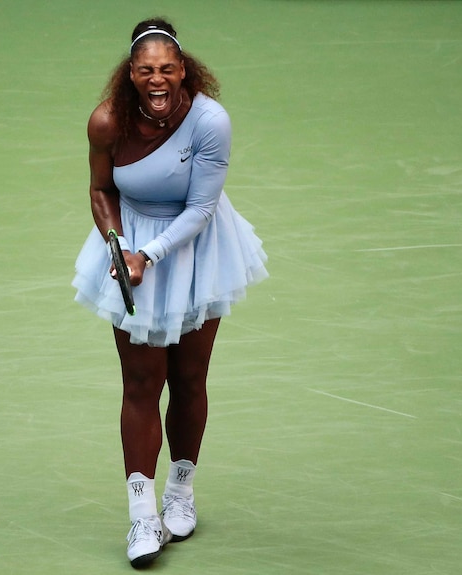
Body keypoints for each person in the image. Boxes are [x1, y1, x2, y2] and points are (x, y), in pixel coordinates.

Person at [71, 17, 268, 568]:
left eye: (166, 70)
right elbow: (100, 188)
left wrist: (147, 256)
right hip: (130, 242)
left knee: (187, 378)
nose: (156, 81)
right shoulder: (107, 121)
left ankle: (181, 491)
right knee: (140, 382)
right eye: (145, 71)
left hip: (196, 247)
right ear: (130, 75)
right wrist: (115, 242)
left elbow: (202, 209)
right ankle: (141, 516)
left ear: (184, 71)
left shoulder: (210, 121)